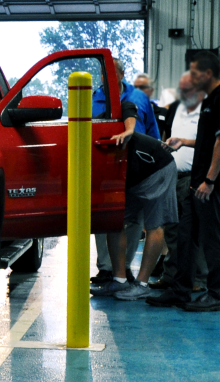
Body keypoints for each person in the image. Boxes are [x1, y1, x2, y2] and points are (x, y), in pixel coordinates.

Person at [147, 51, 220, 312]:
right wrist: (183, 142)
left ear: (207, 74)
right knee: (186, 237)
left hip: (208, 185)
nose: (190, 76)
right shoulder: (209, 100)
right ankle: (180, 290)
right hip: (196, 183)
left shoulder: (219, 99)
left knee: (212, 239)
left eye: (195, 72)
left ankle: (216, 294)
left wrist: (210, 180)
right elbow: (207, 139)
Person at [91, 101, 178, 300]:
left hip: (157, 168)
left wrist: (129, 130)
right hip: (131, 180)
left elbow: (128, 106)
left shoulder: (115, 117)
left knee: (154, 224)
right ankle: (119, 281)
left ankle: (142, 284)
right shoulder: (88, 135)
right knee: (114, 223)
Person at [91, 59, 161, 284]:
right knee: (105, 218)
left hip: (136, 167)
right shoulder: (94, 99)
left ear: (122, 74)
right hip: (105, 168)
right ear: (101, 77)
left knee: (132, 220)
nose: (108, 78)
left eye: (113, 73)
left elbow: (152, 131)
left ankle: (124, 268)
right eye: (104, 74)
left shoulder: (138, 98)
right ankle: (106, 268)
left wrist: (154, 161)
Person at [148, 72, 208, 291]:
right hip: (172, 175)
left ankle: (199, 280)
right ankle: (171, 275)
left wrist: (184, 142)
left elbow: (207, 141)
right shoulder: (175, 109)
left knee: (194, 230)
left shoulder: (207, 110)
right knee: (172, 228)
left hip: (194, 178)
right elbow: (167, 133)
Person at [134, 73, 168, 139]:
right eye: (135, 88)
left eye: (142, 87)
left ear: (151, 90)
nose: (137, 91)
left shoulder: (164, 113)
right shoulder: (129, 112)